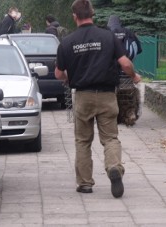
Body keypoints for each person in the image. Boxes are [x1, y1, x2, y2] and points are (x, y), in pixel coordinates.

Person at [54, 0, 142, 198]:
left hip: (83, 97)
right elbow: (125, 64)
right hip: (107, 96)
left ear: (74, 16)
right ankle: (114, 168)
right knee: (110, 138)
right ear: (92, 14)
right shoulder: (108, 36)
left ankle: (85, 183)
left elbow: (59, 74)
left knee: (83, 141)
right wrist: (134, 77)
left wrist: (71, 76)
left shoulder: (67, 42)